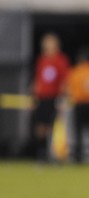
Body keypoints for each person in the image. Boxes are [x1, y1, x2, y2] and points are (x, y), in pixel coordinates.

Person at [28, 32, 71, 162]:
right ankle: (41, 154)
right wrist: (33, 95)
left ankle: (55, 155)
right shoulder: (42, 60)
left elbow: (64, 80)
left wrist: (62, 97)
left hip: (54, 97)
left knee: (53, 127)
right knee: (40, 127)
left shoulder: (61, 60)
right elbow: (38, 79)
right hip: (42, 98)